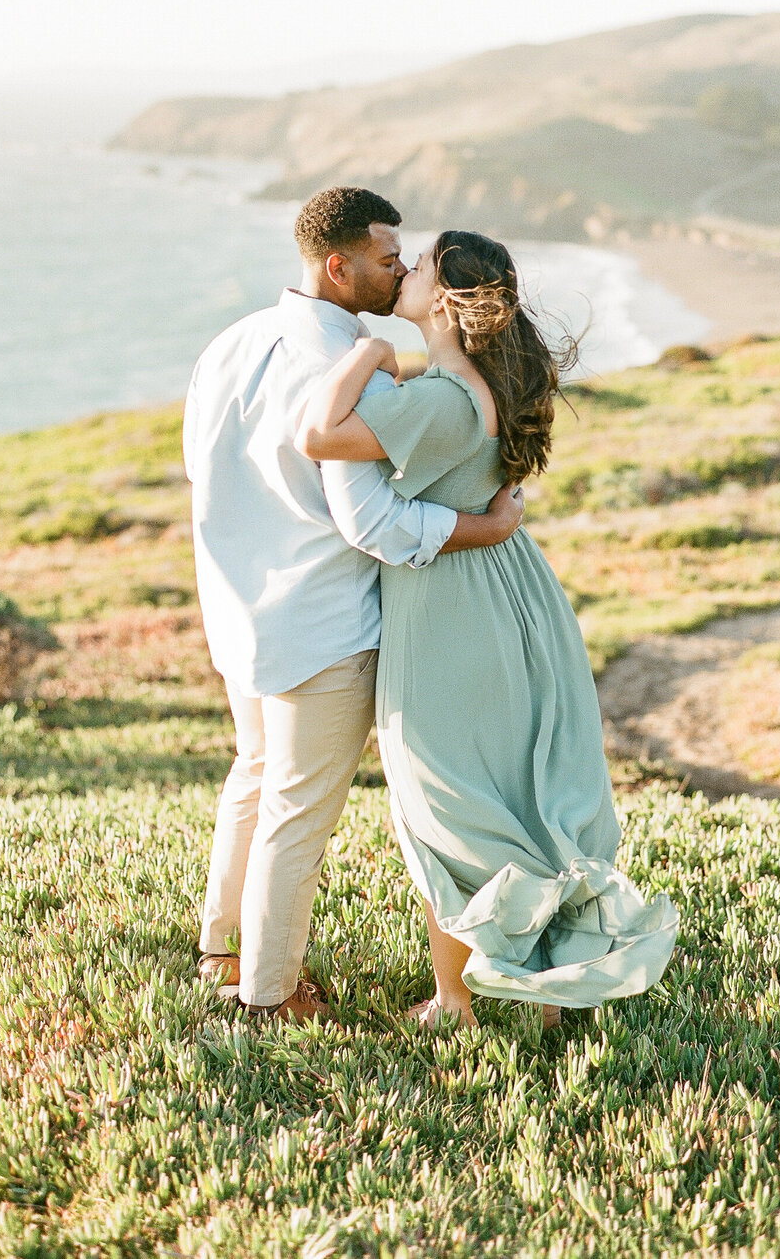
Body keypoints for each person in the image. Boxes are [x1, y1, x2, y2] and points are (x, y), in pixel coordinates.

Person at [297, 229, 679, 1027]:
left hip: (448, 612)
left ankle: (455, 1001)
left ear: (443, 298)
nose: (404, 267)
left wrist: (365, 356)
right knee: (505, 795)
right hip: (509, 597)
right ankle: (539, 989)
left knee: (445, 803)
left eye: (422, 262)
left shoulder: (439, 397)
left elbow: (319, 436)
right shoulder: (482, 386)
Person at [184, 189, 525, 1023]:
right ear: (337, 266)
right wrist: (482, 527)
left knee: (255, 777)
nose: (400, 268)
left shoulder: (228, 345)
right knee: (296, 814)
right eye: (384, 258)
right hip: (323, 622)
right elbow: (371, 521)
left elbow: (203, 471)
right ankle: (269, 996)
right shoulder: (341, 368)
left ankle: (220, 948)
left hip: (237, 609)